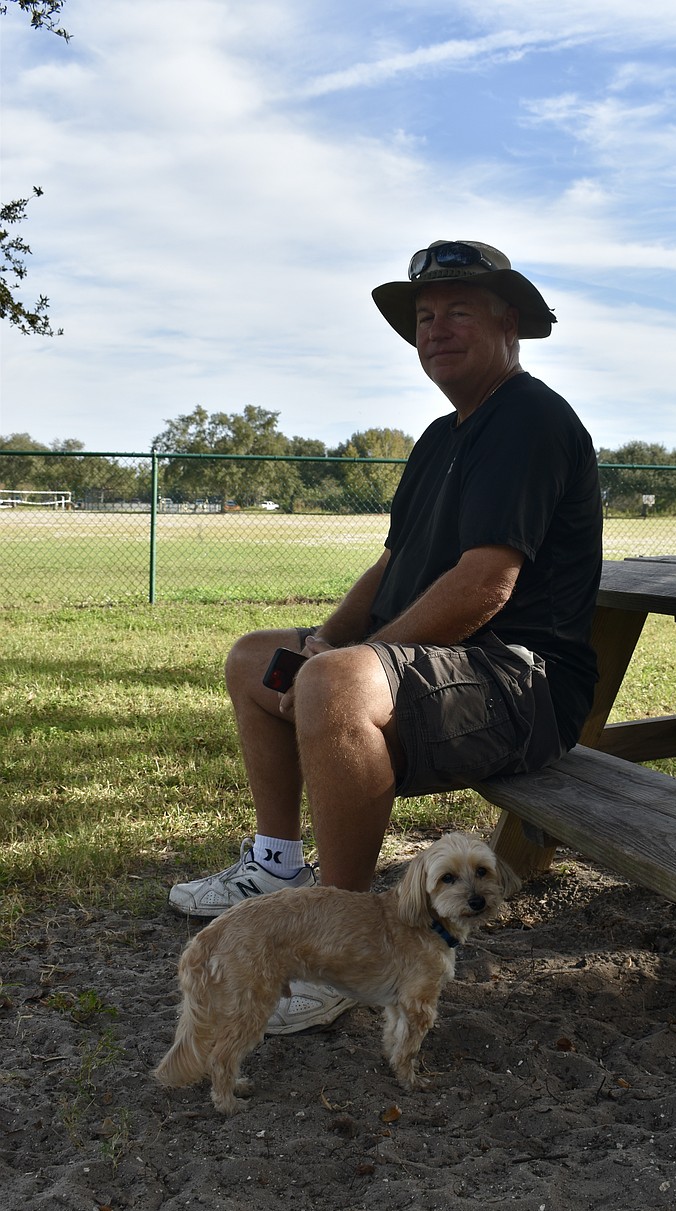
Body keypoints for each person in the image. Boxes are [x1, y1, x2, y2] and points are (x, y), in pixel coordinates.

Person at [168, 239, 602, 1033]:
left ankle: (343, 951)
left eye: (457, 311)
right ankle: (273, 866)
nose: (434, 329)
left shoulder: (529, 419)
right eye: (424, 317)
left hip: (523, 683)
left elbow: (486, 585)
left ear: (509, 322)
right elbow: (396, 560)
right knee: (256, 659)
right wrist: (328, 636)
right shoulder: (443, 437)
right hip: (451, 671)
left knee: (336, 683)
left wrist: (354, 663)